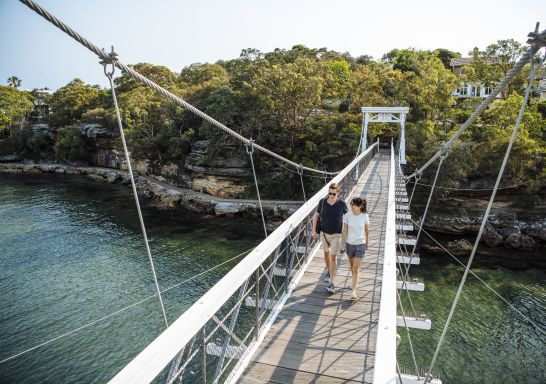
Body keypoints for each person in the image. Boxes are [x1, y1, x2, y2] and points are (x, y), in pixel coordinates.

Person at [311, 182, 348, 293]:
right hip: (324, 234)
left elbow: (347, 219)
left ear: (338, 193)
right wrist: (313, 230)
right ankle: (328, 270)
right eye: (330, 193)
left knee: (333, 257)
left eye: (333, 194)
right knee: (326, 254)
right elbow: (316, 215)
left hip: (337, 235)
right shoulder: (322, 202)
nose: (331, 196)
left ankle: (332, 283)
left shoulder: (342, 204)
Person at [340, 197, 370, 300]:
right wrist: (342, 244)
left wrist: (367, 242)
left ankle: (353, 292)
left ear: (360, 206)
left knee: (356, 269)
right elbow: (344, 232)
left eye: (353, 204)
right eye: (351, 204)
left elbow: (366, 231)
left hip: (360, 245)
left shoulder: (365, 216)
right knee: (352, 267)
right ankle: (354, 283)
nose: (351, 206)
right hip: (349, 245)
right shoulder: (347, 216)